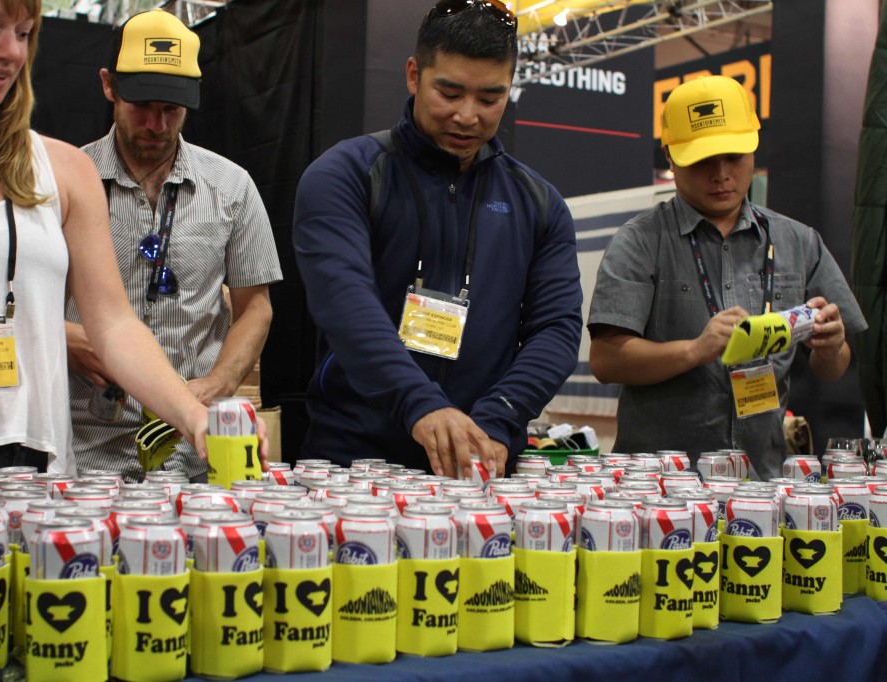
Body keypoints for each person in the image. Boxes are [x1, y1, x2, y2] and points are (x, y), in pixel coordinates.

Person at [0, 0, 215, 486]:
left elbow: (112, 325)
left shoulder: (65, 171)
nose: (11, 51)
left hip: (37, 480)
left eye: (24, 33)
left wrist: (192, 415)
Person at [292, 0, 583, 480]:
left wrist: (499, 416)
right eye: (449, 92)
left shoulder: (538, 202)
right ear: (413, 74)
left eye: (490, 99)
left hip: (481, 463)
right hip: (353, 466)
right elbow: (345, 304)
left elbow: (556, 329)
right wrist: (420, 404)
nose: (468, 116)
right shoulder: (346, 175)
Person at [587, 75, 868, 481]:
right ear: (670, 156)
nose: (721, 174)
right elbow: (606, 359)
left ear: (754, 147)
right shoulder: (640, 241)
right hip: (661, 486)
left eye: (734, 156)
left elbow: (833, 368)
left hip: (760, 481)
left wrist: (831, 346)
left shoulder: (799, 242)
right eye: (702, 160)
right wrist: (695, 350)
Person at [65, 9, 282, 482]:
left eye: (172, 109)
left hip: (192, 450)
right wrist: (67, 337)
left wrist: (218, 383)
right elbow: (16, 303)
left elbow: (255, 307)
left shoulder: (232, 187)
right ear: (109, 86)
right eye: (141, 105)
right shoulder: (66, 181)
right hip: (83, 448)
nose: (156, 125)